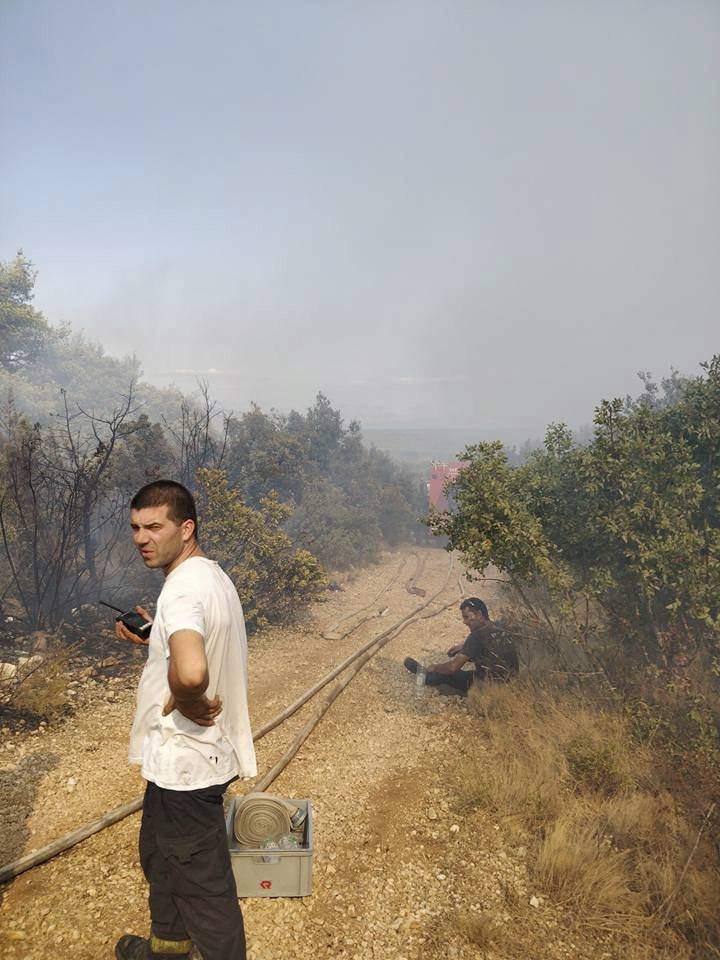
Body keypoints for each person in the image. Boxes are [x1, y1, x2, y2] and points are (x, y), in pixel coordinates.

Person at [114, 480, 256, 960]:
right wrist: (157, 639)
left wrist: (185, 692)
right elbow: (195, 642)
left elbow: (193, 670)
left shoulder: (179, 592)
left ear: (186, 527)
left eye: (155, 526)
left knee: (203, 887)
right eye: (136, 527)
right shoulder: (208, 576)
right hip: (180, 764)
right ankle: (167, 949)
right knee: (161, 858)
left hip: (187, 765)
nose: (141, 538)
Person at [404, 597, 519, 695]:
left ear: (479, 614)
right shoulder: (500, 626)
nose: (464, 622)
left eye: (467, 617)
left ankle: (425, 675)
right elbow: (490, 645)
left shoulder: (476, 636)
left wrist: (435, 667)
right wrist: (465, 646)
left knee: (448, 674)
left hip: (488, 687)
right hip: (512, 683)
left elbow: (452, 667)